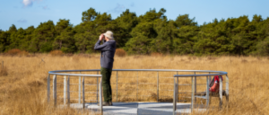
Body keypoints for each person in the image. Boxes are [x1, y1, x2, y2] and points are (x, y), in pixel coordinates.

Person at [94, 30, 116, 106]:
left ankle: (106, 101)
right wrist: (104, 40)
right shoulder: (111, 43)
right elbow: (104, 46)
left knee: (104, 83)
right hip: (109, 65)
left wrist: (99, 40)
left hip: (105, 66)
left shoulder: (107, 44)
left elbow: (96, 47)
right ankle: (109, 100)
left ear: (106, 37)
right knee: (107, 83)